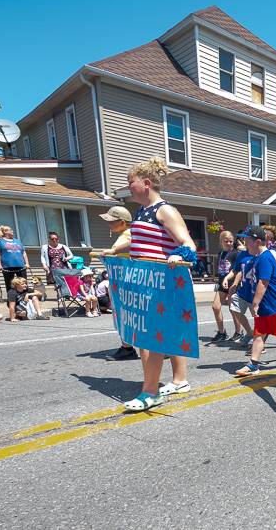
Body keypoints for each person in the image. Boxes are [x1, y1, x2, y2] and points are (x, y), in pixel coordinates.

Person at [120, 158, 198, 412]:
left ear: (146, 183)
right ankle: (176, 381)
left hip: (162, 286)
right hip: (144, 285)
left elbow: (189, 246)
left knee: (151, 339)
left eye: (130, 182)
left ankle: (150, 392)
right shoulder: (142, 212)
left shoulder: (164, 210)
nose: (127, 186)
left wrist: (178, 255)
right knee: (150, 337)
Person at [234, 226, 276, 376]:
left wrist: (255, 303)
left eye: (247, 240)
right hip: (264, 304)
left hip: (274, 304)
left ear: (257, 241)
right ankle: (253, 364)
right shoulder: (257, 258)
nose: (245, 243)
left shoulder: (265, 258)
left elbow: (263, 283)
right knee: (259, 333)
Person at [98, 205, 139, 361]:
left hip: (130, 282)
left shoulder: (128, 235)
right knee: (127, 314)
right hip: (124, 281)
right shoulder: (125, 234)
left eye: (112, 221)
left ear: (122, 222)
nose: (109, 224)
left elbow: (134, 249)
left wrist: (112, 253)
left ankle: (131, 348)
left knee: (131, 314)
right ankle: (127, 346)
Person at [224, 232, 256, 350]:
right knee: (235, 309)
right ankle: (249, 332)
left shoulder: (260, 254)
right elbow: (237, 271)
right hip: (243, 290)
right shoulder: (242, 255)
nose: (244, 241)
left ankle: (259, 342)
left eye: (247, 238)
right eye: (244, 238)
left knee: (259, 318)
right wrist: (230, 280)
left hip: (255, 292)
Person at [210, 231, 243, 343]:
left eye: (231, 241)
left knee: (232, 309)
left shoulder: (235, 253)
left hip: (233, 284)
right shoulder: (220, 253)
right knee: (215, 306)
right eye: (226, 241)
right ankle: (221, 332)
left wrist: (234, 284)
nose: (229, 243)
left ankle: (238, 332)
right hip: (222, 284)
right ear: (221, 241)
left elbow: (237, 270)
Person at [0, 225, 30, 292]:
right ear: (5, 232)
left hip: (20, 266)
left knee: (24, 284)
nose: (12, 231)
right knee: (10, 285)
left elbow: (23, 252)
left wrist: (27, 263)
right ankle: (11, 300)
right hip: (7, 266)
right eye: (10, 230)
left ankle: (24, 299)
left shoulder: (18, 241)